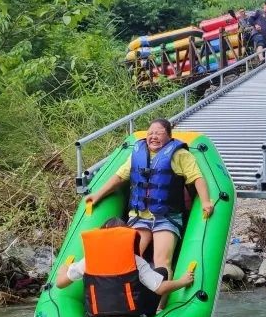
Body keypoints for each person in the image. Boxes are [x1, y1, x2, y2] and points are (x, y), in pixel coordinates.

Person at [82, 119, 214, 290]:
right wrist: (97, 195)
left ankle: (160, 306)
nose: (153, 137)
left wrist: (205, 201)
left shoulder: (180, 155)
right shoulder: (137, 153)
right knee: (128, 257)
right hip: (139, 217)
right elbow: (119, 178)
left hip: (166, 217)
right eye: (150, 133)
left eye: (158, 133)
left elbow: (196, 178)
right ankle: (126, 298)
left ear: (168, 136)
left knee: (162, 262)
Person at [54, 219, 196, 317]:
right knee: (161, 271)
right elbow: (160, 288)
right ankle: (156, 315)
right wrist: (183, 281)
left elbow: (60, 284)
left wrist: (64, 268)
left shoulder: (87, 261)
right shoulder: (136, 260)